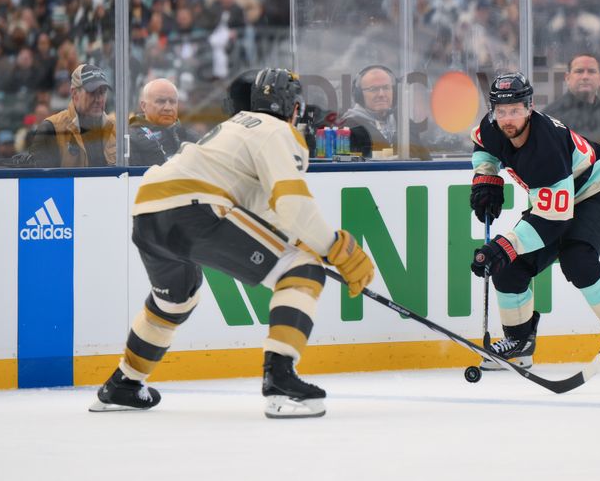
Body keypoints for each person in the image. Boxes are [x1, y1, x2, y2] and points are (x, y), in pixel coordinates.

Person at [90, 68, 375, 418]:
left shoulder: (233, 127)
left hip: (148, 210)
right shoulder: (278, 132)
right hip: (193, 208)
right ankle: (281, 380)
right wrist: (331, 247)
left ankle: (124, 383)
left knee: (176, 298)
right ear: (293, 108)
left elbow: (267, 213)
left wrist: (313, 243)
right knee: (304, 270)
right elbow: (292, 204)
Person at [468, 72, 600, 373]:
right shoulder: (493, 126)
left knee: (576, 256)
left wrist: (504, 245)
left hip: (596, 193)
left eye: (515, 111)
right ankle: (519, 342)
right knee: (509, 265)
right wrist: (487, 177)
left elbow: (553, 221)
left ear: (530, 107)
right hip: (558, 200)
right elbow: (483, 145)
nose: (508, 119)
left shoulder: (545, 148)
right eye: (501, 111)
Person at [27, 63, 116, 167]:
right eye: (92, 92)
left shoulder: (117, 128)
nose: (99, 99)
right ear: (74, 94)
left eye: (102, 92)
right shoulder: (51, 128)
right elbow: (43, 181)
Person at [542, 54, 600, 156]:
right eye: (579, 71)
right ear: (567, 78)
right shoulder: (549, 118)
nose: (585, 76)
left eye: (591, 71)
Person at [340, 64, 429, 160]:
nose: (381, 94)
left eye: (386, 88)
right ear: (359, 95)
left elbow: (426, 162)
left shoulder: (405, 124)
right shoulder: (348, 128)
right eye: (373, 89)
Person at [128, 78, 199, 166]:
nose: (168, 108)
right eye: (161, 102)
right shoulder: (130, 139)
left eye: (172, 102)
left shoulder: (192, 138)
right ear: (143, 106)